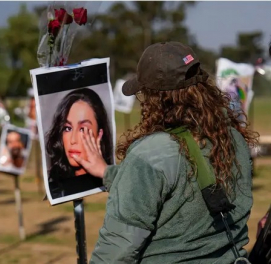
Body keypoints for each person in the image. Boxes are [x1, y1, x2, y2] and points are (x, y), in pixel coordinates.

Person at [72, 41, 259, 263]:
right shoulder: (232, 138)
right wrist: (107, 172)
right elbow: (182, 181)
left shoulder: (150, 155)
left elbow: (118, 249)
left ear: (154, 99)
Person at [45, 88, 113, 199]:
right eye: (67, 128)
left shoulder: (113, 186)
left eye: (82, 129)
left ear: (99, 134)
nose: (73, 140)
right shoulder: (56, 188)